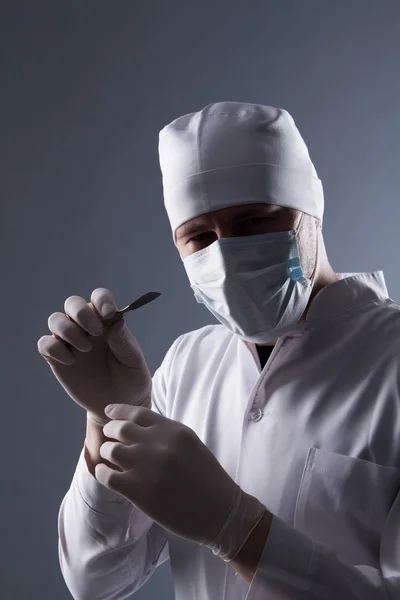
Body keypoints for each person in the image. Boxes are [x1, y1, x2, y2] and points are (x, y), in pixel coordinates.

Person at [38, 101, 400, 599]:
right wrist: (108, 419)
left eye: (253, 222)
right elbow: (96, 580)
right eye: (200, 237)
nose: (226, 257)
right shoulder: (188, 366)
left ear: (309, 214)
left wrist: (239, 530)